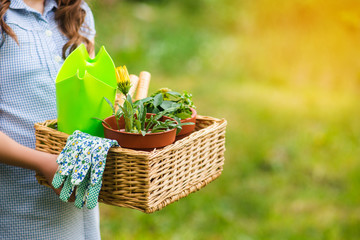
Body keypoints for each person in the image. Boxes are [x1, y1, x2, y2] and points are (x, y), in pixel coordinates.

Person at [0, 0, 101, 239]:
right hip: (19, 203)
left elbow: (91, 99)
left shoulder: (77, 11)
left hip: (77, 190)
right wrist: (42, 162)